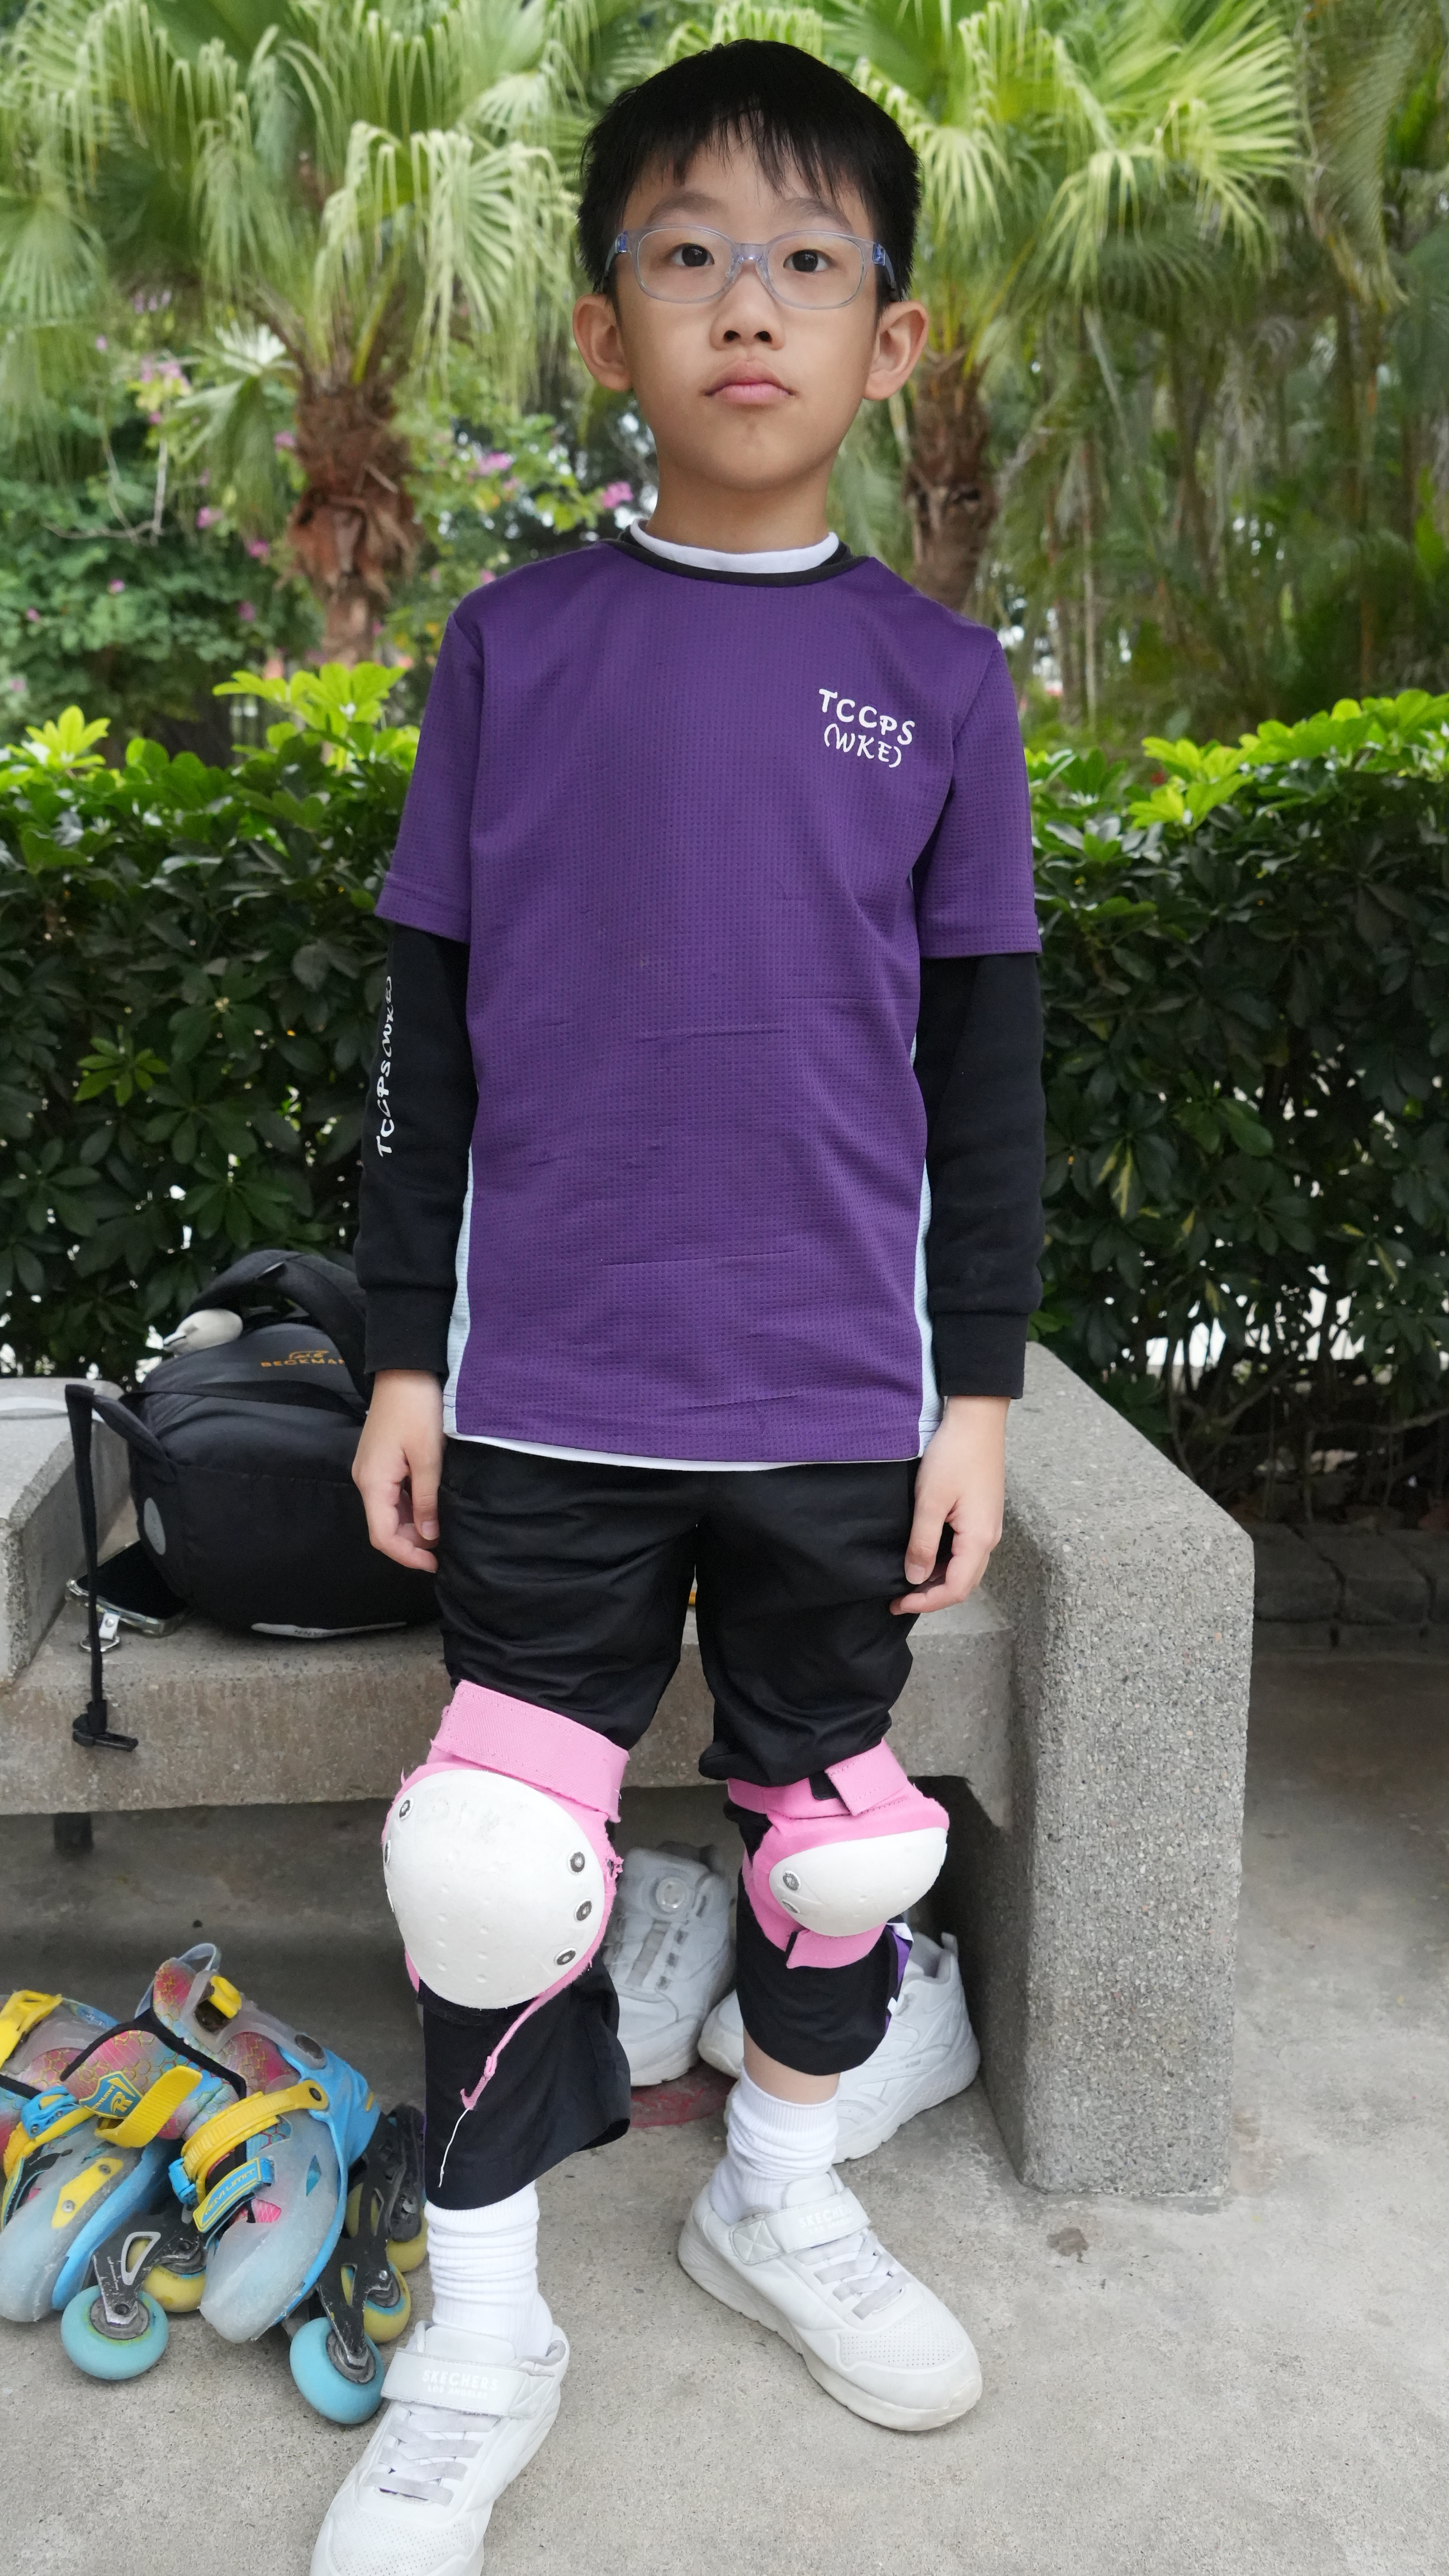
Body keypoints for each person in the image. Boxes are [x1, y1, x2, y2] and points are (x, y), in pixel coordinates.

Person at [313, 39, 1044, 2575]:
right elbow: (424, 1045)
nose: (751, 304)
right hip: (551, 1389)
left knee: (844, 1857)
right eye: (692, 254)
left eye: (810, 261)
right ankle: (482, 2332)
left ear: (891, 339)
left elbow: (986, 1084)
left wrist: (976, 1397)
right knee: (489, 1866)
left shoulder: (945, 690)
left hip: (839, 1398)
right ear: (605, 321)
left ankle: (782, 2192)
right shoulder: (513, 652)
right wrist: (407, 1351)